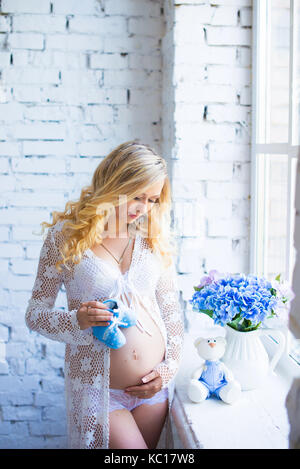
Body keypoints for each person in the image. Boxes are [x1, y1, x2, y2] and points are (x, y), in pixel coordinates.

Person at [25, 140, 185, 449]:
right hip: (99, 390)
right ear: (114, 184)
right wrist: (78, 320)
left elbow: (171, 313)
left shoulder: (152, 235)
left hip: (152, 390)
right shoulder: (66, 236)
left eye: (152, 200)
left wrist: (168, 370)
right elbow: (35, 314)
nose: (143, 209)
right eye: (137, 196)